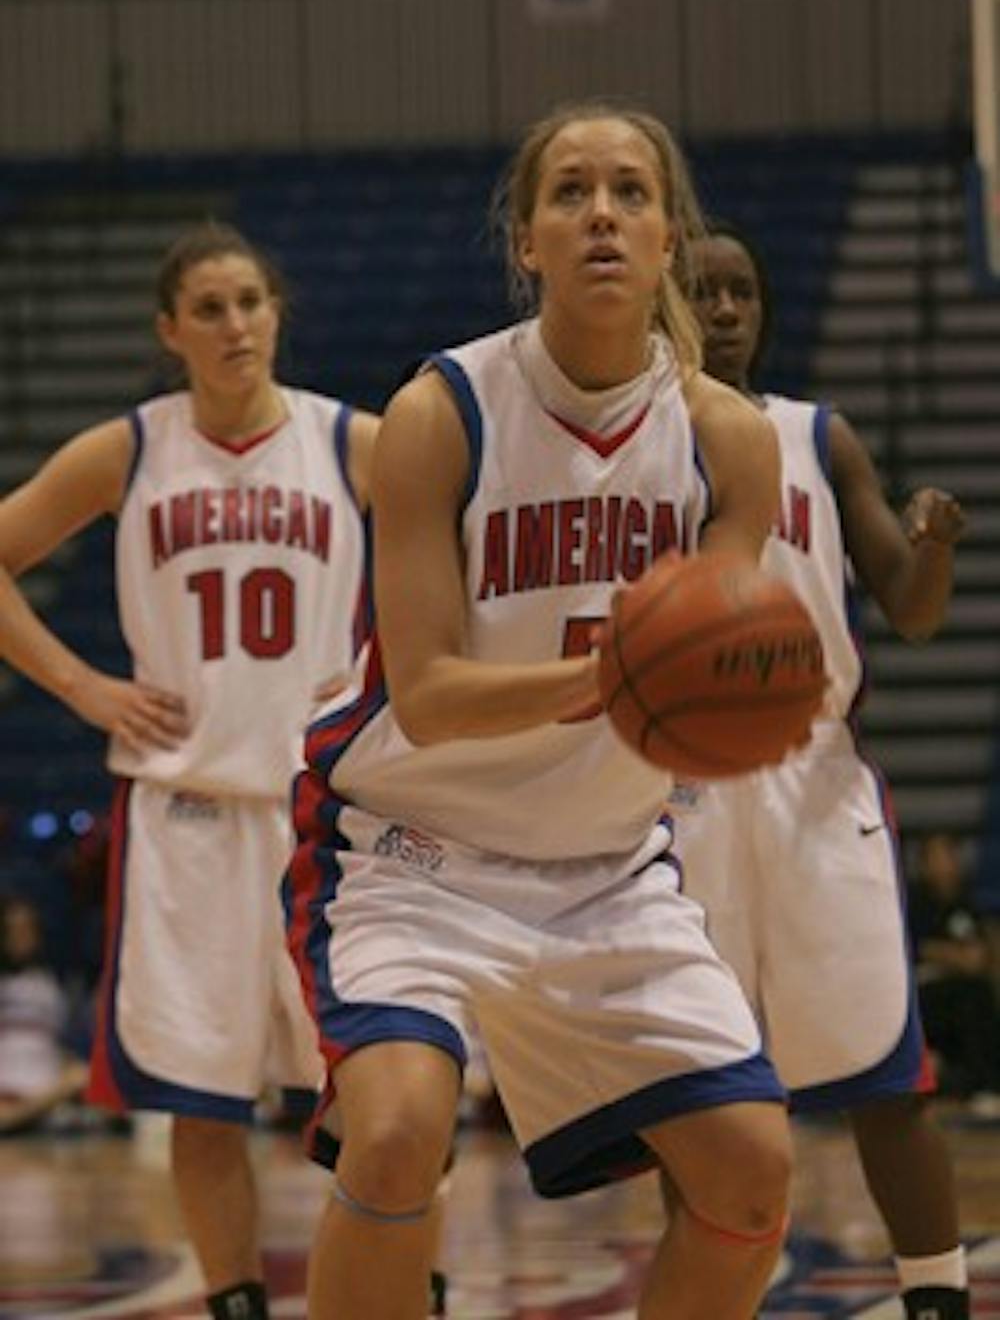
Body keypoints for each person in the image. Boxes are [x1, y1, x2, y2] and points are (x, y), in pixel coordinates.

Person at [285, 100, 797, 1320]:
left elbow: (715, 679)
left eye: (630, 191)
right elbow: (430, 693)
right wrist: (614, 677)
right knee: (401, 1131)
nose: (601, 214)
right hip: (413, 853)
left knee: (751, 1174)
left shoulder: (728, 441)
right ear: (527, 241)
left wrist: (728, 690)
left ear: (670, 236)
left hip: (609, 866)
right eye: (570, 193)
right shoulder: (441, 411)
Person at [0, 222, 378, 1320]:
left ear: (277, 314)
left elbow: (465, 523)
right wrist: (81, 686)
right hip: (186, 813)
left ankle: (411, 1287)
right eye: (207, 308)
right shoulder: (129, 448)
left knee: (377, 1092)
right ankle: (237, 1302)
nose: (234, 325)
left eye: (250, 302)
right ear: (169, 330)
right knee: (205, 1105)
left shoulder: (349, 439)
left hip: (324, 820)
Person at [669, 222, 972, 1320]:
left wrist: (932, 543)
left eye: (743, 290)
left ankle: (937, 1301)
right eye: (704, 291)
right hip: (681, 777)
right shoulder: (628, 444)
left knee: (885, 1078)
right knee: (692, 1087)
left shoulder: (818, 436)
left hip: (813, 776)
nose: (727, 308)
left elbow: (912, 609)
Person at [908, 831, 1000, 1117]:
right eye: (938, 856)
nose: (947, 864)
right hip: (923, 989)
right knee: (972, 995)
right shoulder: (915, 902)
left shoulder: (965, 901)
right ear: (924, 864)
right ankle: (982, 1086)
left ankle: (980, 1084)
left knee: (978, 992)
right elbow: (922, 948)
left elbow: (981, 950)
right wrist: (955, 956)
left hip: (962, 986)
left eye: (951, 855)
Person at [0, 893, 89, 1135]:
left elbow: (61, 1043)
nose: (22, 937)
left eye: (28, 929)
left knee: (84, 1075)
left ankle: (35, 1116)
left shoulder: (51, 983)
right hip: (8, 1090)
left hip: (49, 1089)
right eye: (13, 930)